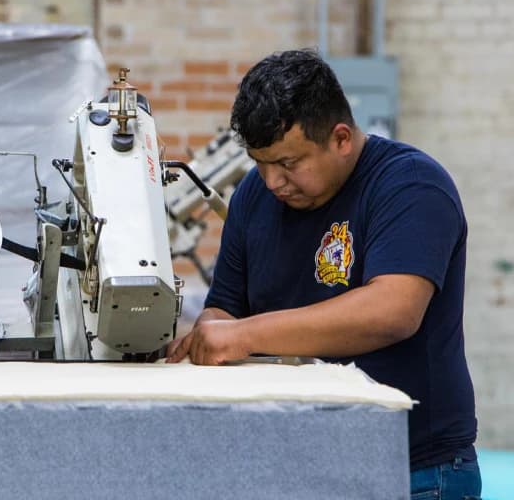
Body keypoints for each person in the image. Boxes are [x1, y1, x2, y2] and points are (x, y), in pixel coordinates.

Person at [166, 49, 481, 499]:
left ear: (341, 138)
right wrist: (212, 333)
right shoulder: (255, 196)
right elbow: (224, 309)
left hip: (413, 472)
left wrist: (244, 336)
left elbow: (392, 311)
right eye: (260, 162)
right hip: (295, 466)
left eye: (289, 163)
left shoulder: (411, 185)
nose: (272, 181)